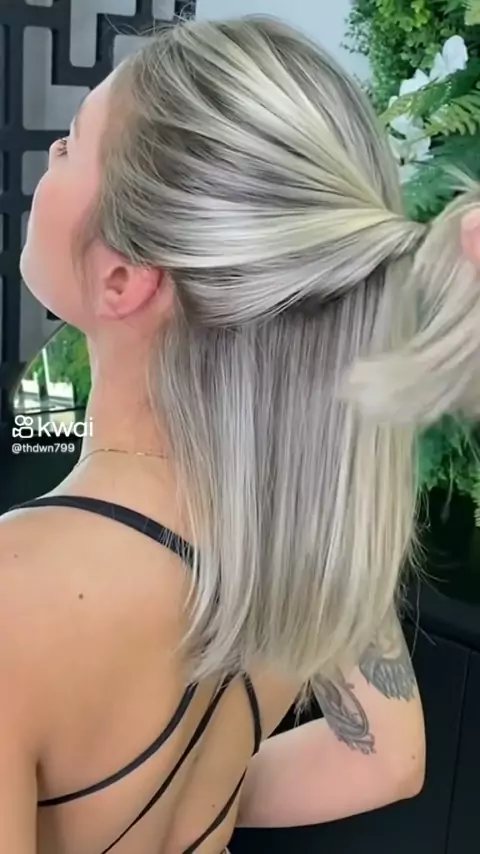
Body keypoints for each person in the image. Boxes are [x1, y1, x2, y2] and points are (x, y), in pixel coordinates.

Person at [4, 14, 480, 853]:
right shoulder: (293, 526)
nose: (53, 154)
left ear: (122, 277)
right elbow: (387, 757)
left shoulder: (16, 595)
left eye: (74, 143)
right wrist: (200, 795)